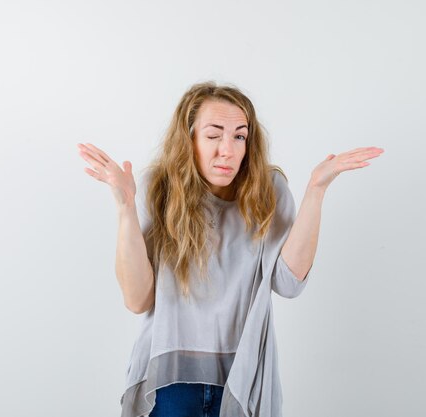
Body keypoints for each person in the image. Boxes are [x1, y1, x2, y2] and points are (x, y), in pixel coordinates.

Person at [77, 81, 384, 417]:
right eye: (213, 135)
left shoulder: (269, 190)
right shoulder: (157, 188)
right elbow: (137, 299)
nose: (228, 149)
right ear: (189, 137)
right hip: (171, 384)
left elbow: (288, 282)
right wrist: (125, 207)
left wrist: (316, 189)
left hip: (243, 378)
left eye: (239, 135)